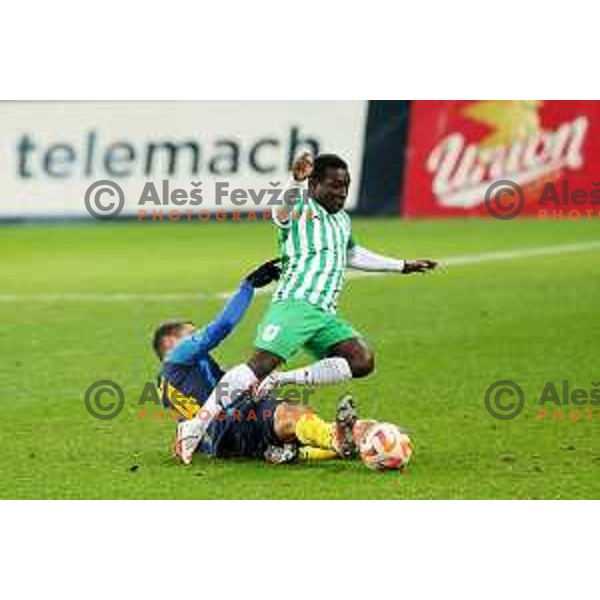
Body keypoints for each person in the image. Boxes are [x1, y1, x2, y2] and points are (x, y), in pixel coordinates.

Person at [175, 152, 437, 463]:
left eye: (346, 186)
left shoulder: (342, 219)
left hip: (323, 314)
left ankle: (280, 380)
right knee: (257, 365)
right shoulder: (302, 208)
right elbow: (280, 213)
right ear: (314, 183)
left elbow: (351, 254)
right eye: (334, 185)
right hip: (295, 304)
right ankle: (194, 426)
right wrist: (294, 181)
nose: (341, 192)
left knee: (361, 359)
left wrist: (402, 266)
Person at [151, 258, 355, 464]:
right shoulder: (180, 355)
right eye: (193, 334)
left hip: (224, 442)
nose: (198, 338)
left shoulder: (164, 386)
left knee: (295, 437)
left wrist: (203, 444)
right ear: (171, 341)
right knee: (292, 414)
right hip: (235, 417)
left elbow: (188, 417)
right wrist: (247, 287)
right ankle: (336, 439)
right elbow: (222, 326)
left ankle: (313, 448)